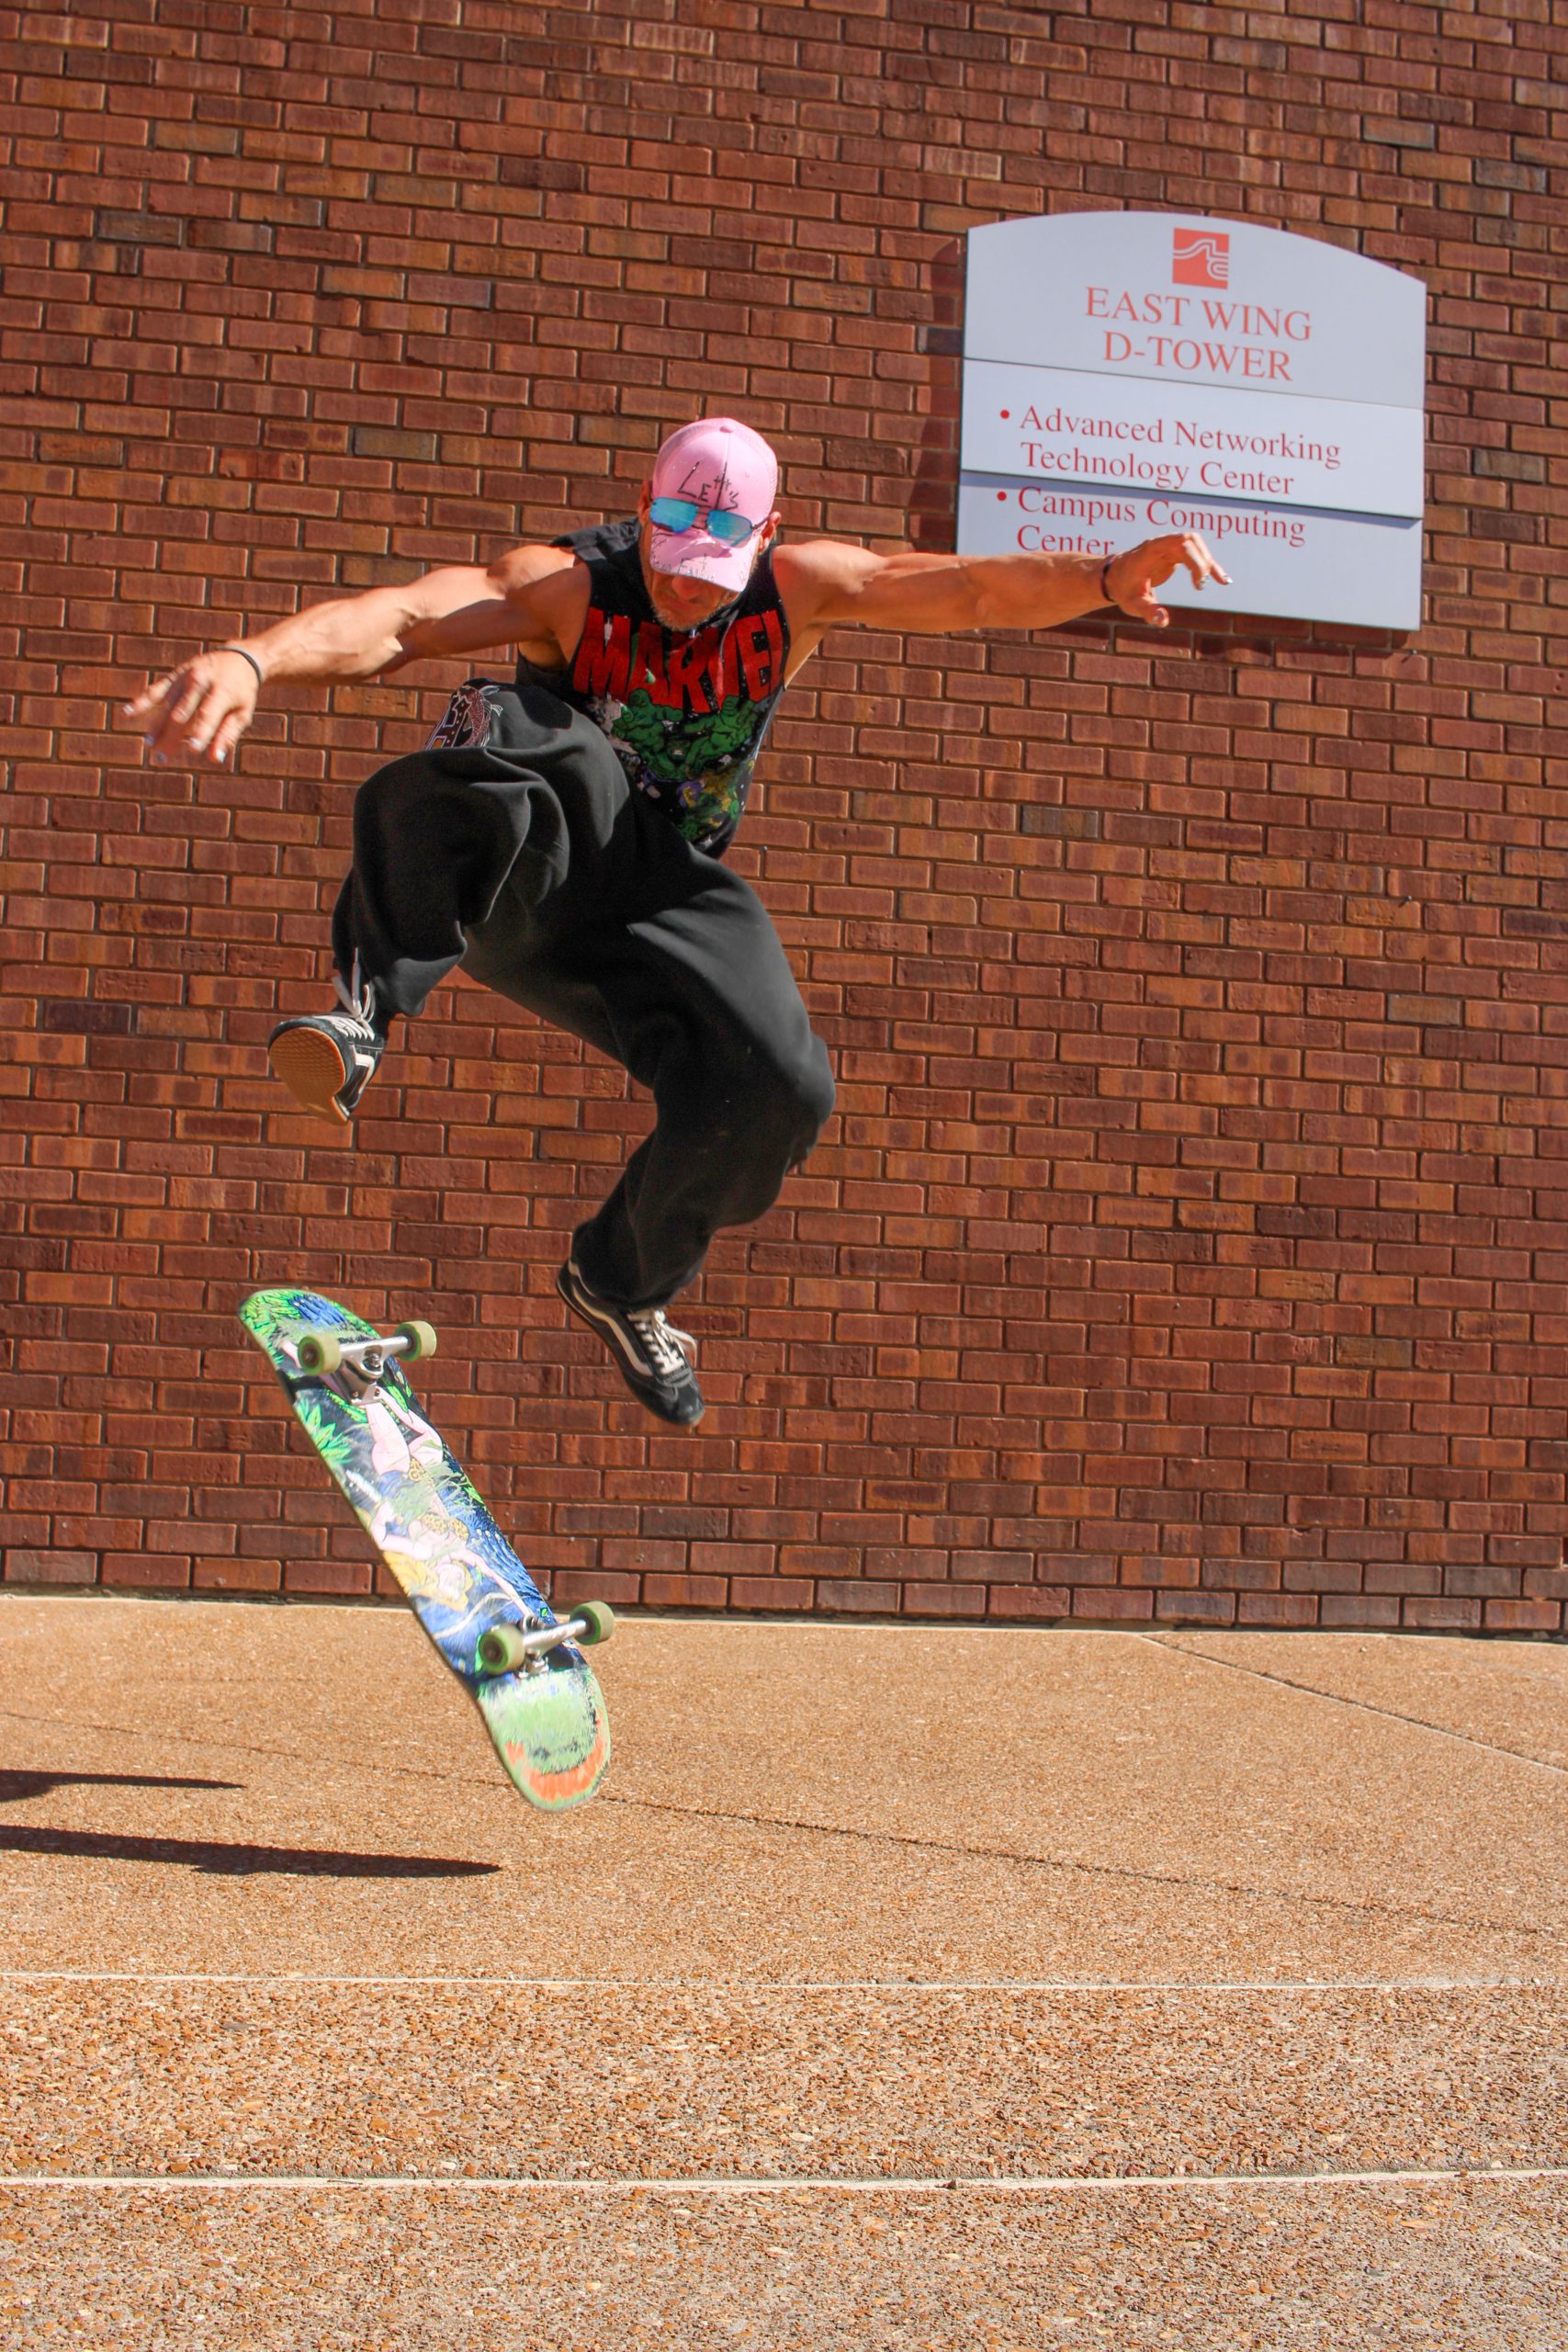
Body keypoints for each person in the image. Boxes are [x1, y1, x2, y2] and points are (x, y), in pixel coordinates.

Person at [126, 416, 1229, 1427]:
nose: (681, 590)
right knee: (515, 728)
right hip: (534, 867)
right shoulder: (566, 587)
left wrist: (1101, 578)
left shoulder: (801, 589)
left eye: (710, 573)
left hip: (659, 904)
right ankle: (364, 1011)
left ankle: (621, 1281)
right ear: (644, 518)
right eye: (666, 559)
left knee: (782, 1088)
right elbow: (405, 620)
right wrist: (253, 659)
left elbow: (970, 588)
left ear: (765, 540)